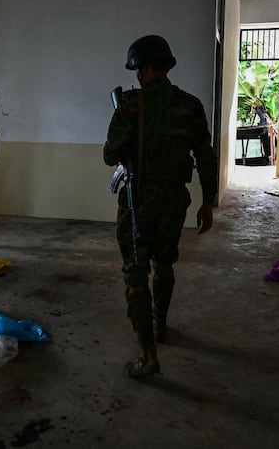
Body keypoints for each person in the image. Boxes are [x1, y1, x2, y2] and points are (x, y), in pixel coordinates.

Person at [103, 35, 218, 378]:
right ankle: (159, 325)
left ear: (147, 68)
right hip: (174, 200)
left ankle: (146, 354)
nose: (138, 75)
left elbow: (110, 155)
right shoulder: (192, 105)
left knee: (135, 272)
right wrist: (208, 201)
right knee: (164, 263)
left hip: (138, 199)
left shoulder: (130, 104)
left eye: (138, 69)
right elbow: (206, 155)